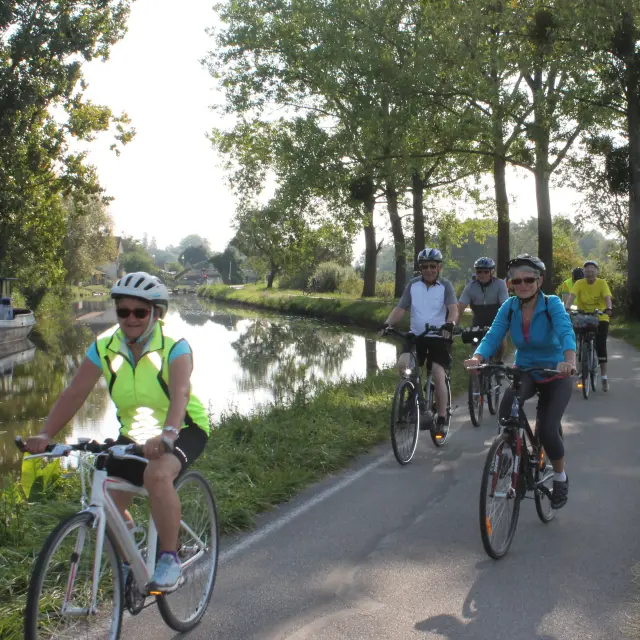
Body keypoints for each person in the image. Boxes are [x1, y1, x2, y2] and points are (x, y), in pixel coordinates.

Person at [24, 272, 210, 592]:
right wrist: (45, 434)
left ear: (156, 313)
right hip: (136, 435)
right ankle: (129, 562)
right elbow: (75, 393)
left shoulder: (175, 346)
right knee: (106, 497)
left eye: (140, 311)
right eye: (123, 311)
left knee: (156, 475)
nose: (130, 319)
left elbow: (180, 394)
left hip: (183, 428)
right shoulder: (104, 346)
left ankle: (169, 558)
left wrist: (167, 434)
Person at [463, 254, 576, 509]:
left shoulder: (551, 303)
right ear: (510, 284)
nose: (522, 285)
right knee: (506, 412)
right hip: (525, 369)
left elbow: (565, 331)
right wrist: (477, 357)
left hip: (555, 371)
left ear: (539, 281)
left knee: (547, 429)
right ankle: (511, 452)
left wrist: (569, 361)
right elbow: (494, 334)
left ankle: (560, 478)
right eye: (516, 281)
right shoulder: (510, 306)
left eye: (528, 280)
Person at [383, 247, 459, 434]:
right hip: (416, 336)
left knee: (438, 374)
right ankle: (413, 396)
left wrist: (450, 324)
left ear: (439, 267)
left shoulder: (446, 285)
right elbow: (401, 308)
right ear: (420, 268)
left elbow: (453, 308)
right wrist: (387, 324)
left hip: (438, 337)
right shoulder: (413, 285)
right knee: (404, 365)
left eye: (433, 266)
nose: (429, 270)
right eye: (425, 266)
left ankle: (442, 418)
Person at [564, 260, 613, 391]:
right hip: (583, 316)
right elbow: (571, 296)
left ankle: (604, 377)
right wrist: (567, 308)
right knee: (577, 342)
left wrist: (608, 308)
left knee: (601, 345)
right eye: (587, 271)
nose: (589, 274)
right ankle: (580, 367)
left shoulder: (602, 283)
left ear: (596, 272)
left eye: (592, 271)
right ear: (584, 273)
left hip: (600, 316)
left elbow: (607, 298)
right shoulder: (579, 283)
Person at [457, 257, 509, 362]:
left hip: (496, 319)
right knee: (476, 349)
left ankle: (499, 361)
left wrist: (507, 321)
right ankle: (477, 369)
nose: (482, 274)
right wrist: (455, 324)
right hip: (478, 321)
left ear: (492, 272)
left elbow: (505, 305)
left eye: (486, 271)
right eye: (479, 271)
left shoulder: (500, 284)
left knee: (500, 341)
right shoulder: (470, 287)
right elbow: (460, 308)